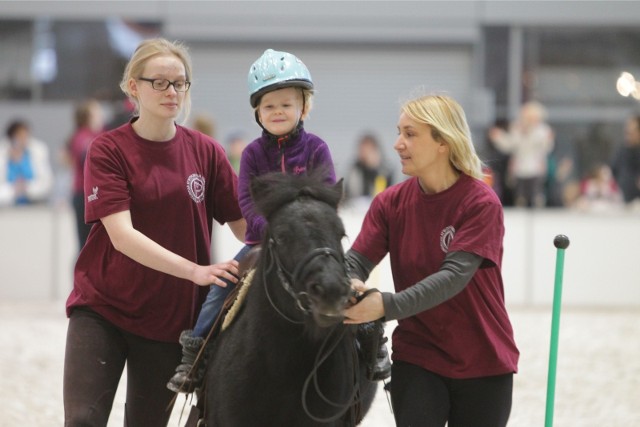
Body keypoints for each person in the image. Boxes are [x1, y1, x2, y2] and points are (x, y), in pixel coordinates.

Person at [167, 48, 390, 393]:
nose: (278, 112)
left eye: (286, 104)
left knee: (348, 284)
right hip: (262, 243)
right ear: (257, 111)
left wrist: (303, 232)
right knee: (221, 288)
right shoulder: (253, 154)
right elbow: (246, 200)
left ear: (304, 107)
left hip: (313, 244)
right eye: (269, 106)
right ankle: (195, 355)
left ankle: (371, 343)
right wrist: (273, 231)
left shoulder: (317, 149)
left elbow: (327, 197)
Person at [63, 38, 246, 427]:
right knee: (82, 419)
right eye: (159, 82)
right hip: (103, 308)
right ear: (134, 87)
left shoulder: (207, 152)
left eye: (180, 83)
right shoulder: (107, 150)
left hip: (170, 318)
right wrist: (196, 271)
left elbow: (247, 227)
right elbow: (122, 236)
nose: (172, 92)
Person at [344, 94, 519, 427]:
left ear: (443, 142)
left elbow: (453, 277)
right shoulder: (389, 203)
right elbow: (355, 262)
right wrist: (348, 282)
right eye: (399, 132)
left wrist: (384, 306)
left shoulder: (480, 203)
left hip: (483, 360)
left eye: (410, 134)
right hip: (418, 356)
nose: (397, 144)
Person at [489, 101, 554, 208]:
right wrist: (499, 137)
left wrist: (547, 139)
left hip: (536, 167)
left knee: (536, 193)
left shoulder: (542, 130)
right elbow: (510, 144)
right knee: (520, 194)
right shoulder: (517, 128)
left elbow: (546, 147)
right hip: (520, 167)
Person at [66, 99, 105, 249]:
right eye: (97, 112)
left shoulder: (100, 134)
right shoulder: (83, 137)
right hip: (84, 196)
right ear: (88, 116)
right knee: (87, 245)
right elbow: (87, 159)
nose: (101, 115)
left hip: (95, 195)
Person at [0, 119, 53, 207]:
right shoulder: (3, 155)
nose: (23, 139)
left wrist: (27, 188)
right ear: (12, 137)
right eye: (19, 135)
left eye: (25, 135)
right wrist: (13, 190)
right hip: (6, 207)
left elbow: (47, 183)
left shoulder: (38, 152)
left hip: (35, 204)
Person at [345, 132, 394, 205]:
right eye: (362, 150)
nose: (363, 153)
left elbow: (384, 193)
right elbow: (348, 193)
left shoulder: (384, 171)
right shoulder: (354, 170)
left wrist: (373, 168)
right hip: (355, 210)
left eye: (367, 150)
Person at [611, 115, 640, 204]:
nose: (628, 136)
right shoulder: (621, 151)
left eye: (631, 132)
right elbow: (613, 172)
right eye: (627, 132)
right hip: (623, 202)